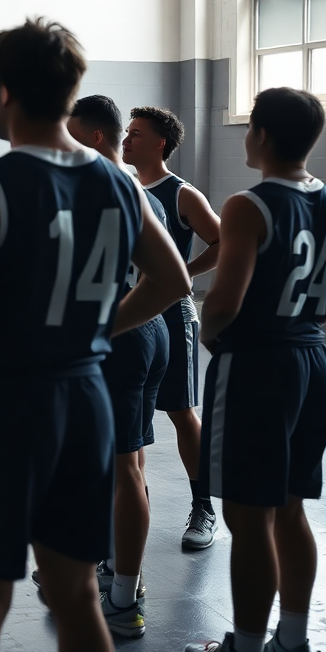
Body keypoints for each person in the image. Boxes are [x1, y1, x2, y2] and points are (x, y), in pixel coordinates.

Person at [0, 19, 190, 652]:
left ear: (4, 91)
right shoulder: (121, 181)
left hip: (1, 399)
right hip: (83, 396)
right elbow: (171, 280)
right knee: (75, 595)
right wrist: (95, 329)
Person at [185, 88, 326, 652]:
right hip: (313, 358)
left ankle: (242, 646)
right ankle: (291, 642)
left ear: (260, 134)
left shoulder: (248, 204)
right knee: (289, 509)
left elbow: (223, 301)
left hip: (258, 363)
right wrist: (304, 322)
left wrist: (213, 338)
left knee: (247, 513)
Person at [65, 94, 171, 638]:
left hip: (123, 340)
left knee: (124, 469)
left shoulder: (99, 186)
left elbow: (172, 281)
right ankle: (114, 564)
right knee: (127, 464)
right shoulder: (122, 186)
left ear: (94, 137)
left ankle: (125, 599)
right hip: (145, 334)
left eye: (70, 135)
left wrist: (103, 329)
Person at [124, 105, 222, 549]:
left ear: (160, 142)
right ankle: (127, 517)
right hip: (131, 318)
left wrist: (186, 269)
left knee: (182, 412)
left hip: (171, 314)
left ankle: (204, 507)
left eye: (137, 134)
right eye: (126, 132)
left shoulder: (181, 193)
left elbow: (222, 240)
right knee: (130, 421)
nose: (127, 140)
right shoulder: (123, 188)